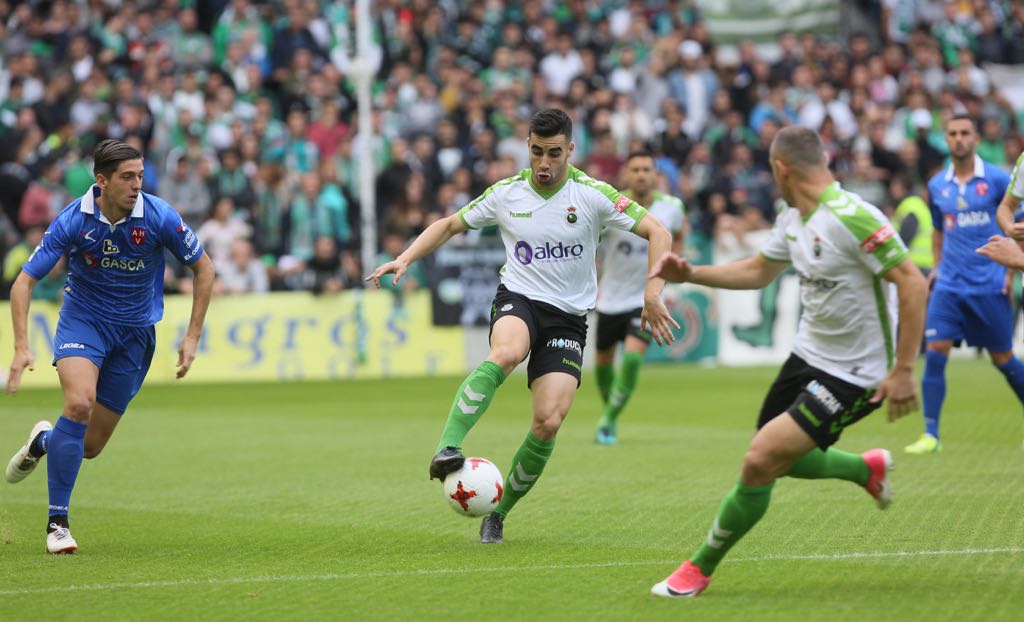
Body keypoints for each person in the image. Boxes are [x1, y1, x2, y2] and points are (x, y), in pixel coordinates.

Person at [366, 109, 678, 544]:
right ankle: (448, 446)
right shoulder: (506, 192)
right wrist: (405, 257)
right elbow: (450, 224)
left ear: (570, 150)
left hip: (569, 316)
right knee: (506, 352)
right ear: (527, 148)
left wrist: (652, 292)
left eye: (553, 153)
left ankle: (498, 514)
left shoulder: (593, 194)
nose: (544, 163)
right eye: (536, 152)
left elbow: (659, 232)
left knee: (548, 422)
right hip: (520, 299)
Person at [648, 126, 926, 598]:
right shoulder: (793, 216)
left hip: (857, 373)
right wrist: (692, 272)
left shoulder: (852, 216)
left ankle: (698, 568)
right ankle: (865, 470)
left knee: (760, 460)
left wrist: (902, 370)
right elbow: (759, 270)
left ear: (781, 169)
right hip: (807, 356)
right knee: (778, 456)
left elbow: (913, 283)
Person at [4, 139, 215, 554]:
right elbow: (23, 282)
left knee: (89, 446)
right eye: (127, 177)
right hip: (85, 322)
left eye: (140, 175)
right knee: (79, 404)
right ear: (101, 181)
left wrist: (192, 336)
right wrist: (21, 346)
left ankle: (44, 441)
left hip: (135, 335)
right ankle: (57, 523)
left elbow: (204, 269)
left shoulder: (159, 216)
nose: (137, 184)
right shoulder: (72, 220)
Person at [904, 115, 1023, 456]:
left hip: (988, 283)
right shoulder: (937, 184)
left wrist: (1011, 270)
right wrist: (938, 268)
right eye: (953, 134)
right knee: (936, 351)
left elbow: (1017, 226)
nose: (959, 139)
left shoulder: (1000, 180)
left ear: (976, 138)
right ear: (947, 139)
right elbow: (939, 230)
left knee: (1003, 359)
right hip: (950, 285)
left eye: (965, 133)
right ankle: (931, 434)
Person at [593, 152, 685, 445]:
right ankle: (612, 411)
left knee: (632, 358)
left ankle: (607, 421)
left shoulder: (671, 207)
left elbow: (678, 235)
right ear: (627, 175)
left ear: (656, 175)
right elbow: (592, 245)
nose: (642, 174)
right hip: (610, 297)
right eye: (636, 169)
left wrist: (672, 266)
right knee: (603, 364)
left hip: (645, 298)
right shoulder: (610, 205)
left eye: (647, 169)